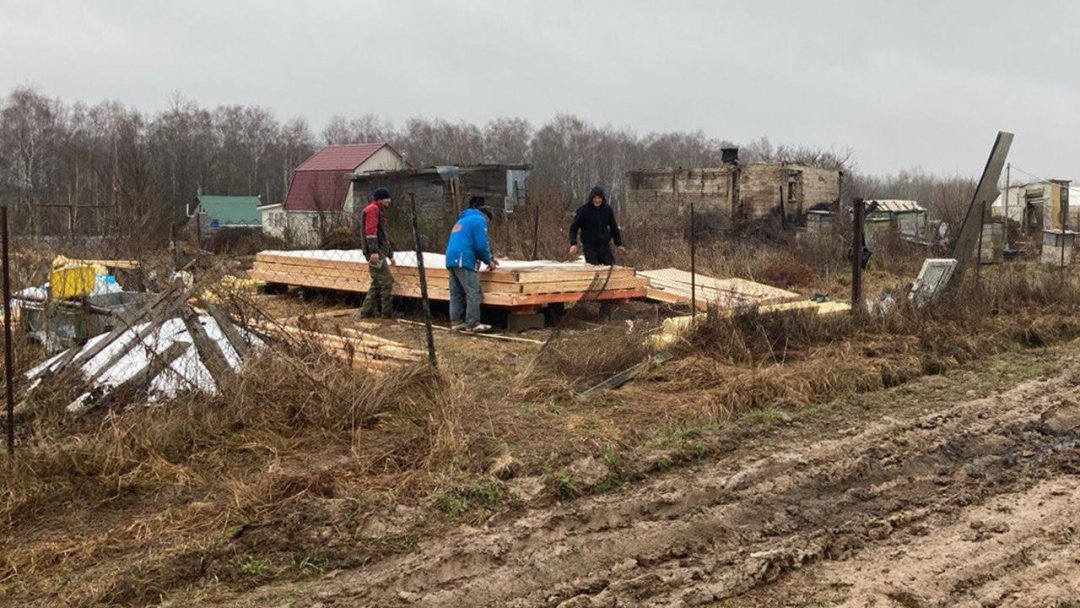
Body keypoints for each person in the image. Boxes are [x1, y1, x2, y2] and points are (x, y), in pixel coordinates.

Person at [445, 202, 499, 332]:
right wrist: (488, 261)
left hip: (452, 258)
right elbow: (481, 245)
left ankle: (456, 322)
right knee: (473, 292)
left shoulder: (463, 220)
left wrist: (487, 258)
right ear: (487, 217)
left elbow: (468, 241)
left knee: (456, 292)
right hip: (464, 258)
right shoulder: (479, 220)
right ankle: (472, 323)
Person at [358, 187, 398, 319]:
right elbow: (371, 232)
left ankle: (366, 312)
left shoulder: (378, 210)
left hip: (379, 252)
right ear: (379, 199)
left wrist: (390, 254)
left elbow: (383, 235)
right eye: (386, 198)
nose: (389, 201)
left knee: (377, 282)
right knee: (386, 281)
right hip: (375, 253)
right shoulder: (372, 210)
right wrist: (373, 252)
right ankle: (386, 313)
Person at [569, 186, 626, 265]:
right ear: (591, 198)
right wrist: (573, 244)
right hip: (589, 246)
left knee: (609, 267)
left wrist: (618, 244)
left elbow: (613, 228)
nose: (597, 200)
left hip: (604, 246)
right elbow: (574, 228)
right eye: (595, 198)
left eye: (599, 198)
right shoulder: (583, 210)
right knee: (593, 268)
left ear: (602, 199)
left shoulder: (607, 210)